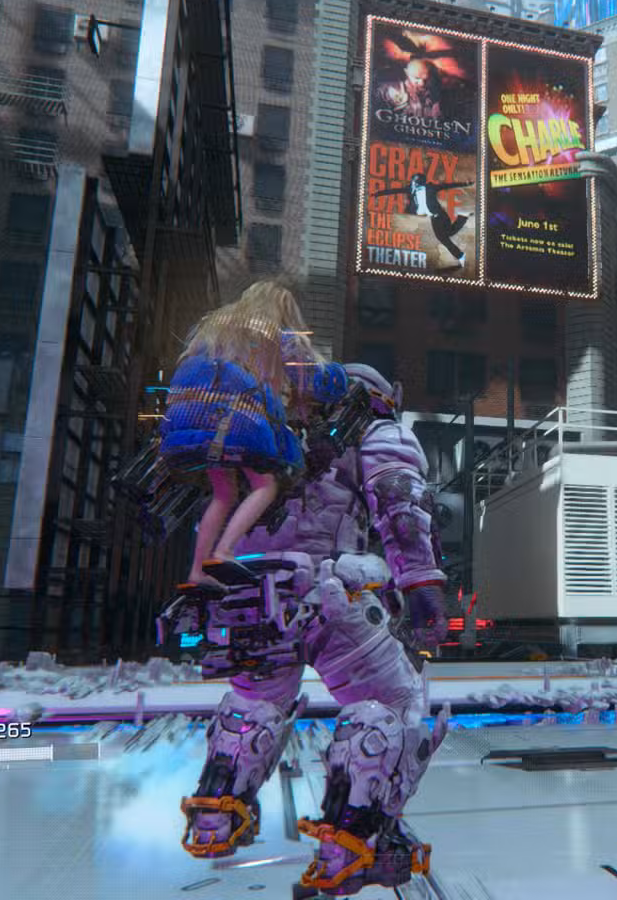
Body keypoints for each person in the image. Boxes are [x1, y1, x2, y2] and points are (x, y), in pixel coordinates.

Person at [164, 363, 449, 897]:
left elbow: (218, 509)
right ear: (383, 397)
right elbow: (399, 502)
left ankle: (214, 817)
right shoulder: (375, 429)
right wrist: (421, 581)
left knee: (253, 703)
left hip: (248, 594)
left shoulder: (268, 432)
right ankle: (350, 847)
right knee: (392, 707)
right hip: (329, 592)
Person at [158, 281, 348, 589]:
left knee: (223, 494)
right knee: (264, 485)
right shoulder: (275, 332)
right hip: (235, 417)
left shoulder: (215, 325)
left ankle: (196, 572)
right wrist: (340, 377)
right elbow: (318, 380)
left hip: (189, 414)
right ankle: (224, 551)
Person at [372, 173, 473, 268]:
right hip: (434, 218)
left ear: (420, 182)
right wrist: (378, 193)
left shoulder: (431, 188)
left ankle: (460, 254)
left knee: (444, 237)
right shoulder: (411, 189)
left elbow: (447, 185)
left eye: (414, 182)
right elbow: (394, 190)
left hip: (441, 215)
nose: (412, 184)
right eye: (412, 182)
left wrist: (465, 183)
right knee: (447, 235)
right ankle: (462, 218)